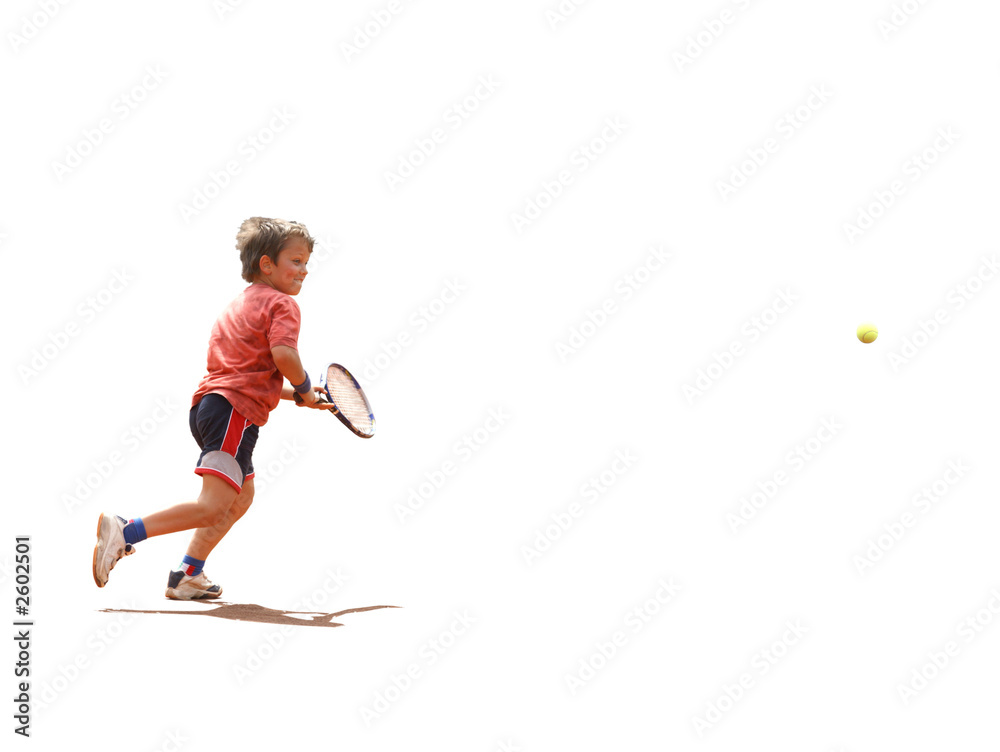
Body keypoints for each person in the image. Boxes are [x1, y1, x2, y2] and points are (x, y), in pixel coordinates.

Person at [92, 217, 332, 599]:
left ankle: (187, 574)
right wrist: (304, 387)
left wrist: (298, 395)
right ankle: (125, 531)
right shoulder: (283, 304)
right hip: (234, 414)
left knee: (241, 496)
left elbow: (249, 373)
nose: (305, 270)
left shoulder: (239, 304)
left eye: (306, 262)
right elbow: (284, 355)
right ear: (267, 264)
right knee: (211, 507)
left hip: (211, 408)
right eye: (296, 261)